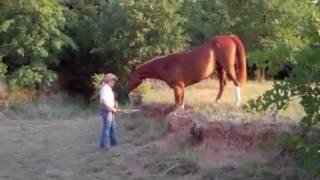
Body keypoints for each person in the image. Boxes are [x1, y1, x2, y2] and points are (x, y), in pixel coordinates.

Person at [99, 73, 119, 150]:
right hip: (106, 110)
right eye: (113, 80)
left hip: (110, 110)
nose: (114, 82)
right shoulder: (105, 89)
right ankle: (104, 145)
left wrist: (115, 104)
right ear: (109, 80)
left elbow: (110, 99)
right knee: (107, 127)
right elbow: (104, 102)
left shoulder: (109, 88)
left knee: (113, 127)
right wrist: (111, 109)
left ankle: (114, 143)